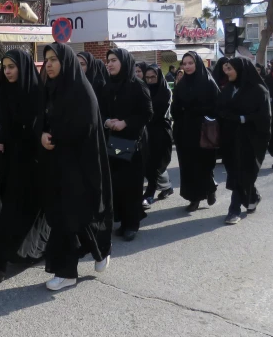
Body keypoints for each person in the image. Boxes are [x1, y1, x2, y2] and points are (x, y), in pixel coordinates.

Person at [40, 42, 112, 290]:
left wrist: (55, 137)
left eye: (53, 59)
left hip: (79, 167)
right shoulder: (52, 88)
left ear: (66, 62)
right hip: (57, 165)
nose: (48, 64)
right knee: (72, 218)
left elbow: (83, 130)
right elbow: (44, 120)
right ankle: (99, 251)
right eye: (46, 59)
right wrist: (43, 135)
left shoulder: (82, 91)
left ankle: (67, 272)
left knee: (69, 218)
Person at [0, 50, 49, 281]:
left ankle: (0, 261)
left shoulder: (36, 92)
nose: (8, 71)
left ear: (23, 67)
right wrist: (2, 138)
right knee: (13, 209)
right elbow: (6, 125)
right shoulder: (7, 90)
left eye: (12, 67)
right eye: (5, 67)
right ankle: (10, 255)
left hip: (33, 162)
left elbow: (36, 128)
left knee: (23, 211)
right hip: (12, 161)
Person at [99, 48, 152, 241]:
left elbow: (147, 113)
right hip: (113, 142)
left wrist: (125, 123)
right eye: (108, 60)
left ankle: (132, 224)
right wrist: (107, 122)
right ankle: (122, 221)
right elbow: (101, 111)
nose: (110, 64)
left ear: (124, 62)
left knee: (131, 185)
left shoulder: (137, 86)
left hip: (133, 142)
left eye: (114, 60)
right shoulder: (108, 86)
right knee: (117, 184)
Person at [215, 59, 270, 225]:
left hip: (249, 140)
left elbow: (264, 117)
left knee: (241, 173)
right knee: (236, 173)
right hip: (230, 139)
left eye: (230, 69)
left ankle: (234, 209)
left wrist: (242, 118)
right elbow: (221, 107)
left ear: (240, 70)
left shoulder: (259, 91)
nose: (227, 72)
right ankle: (253, 196)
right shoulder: (229, 88)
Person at [171, 52, 220, 211]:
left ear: (198, 63)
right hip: (185, 131)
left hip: (203, 131)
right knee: (188, 166)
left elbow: (217, 106)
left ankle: (210, 188)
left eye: (190, 63)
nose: (187, 66)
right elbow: (175, 107)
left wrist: (198, 112)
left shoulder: (208, 82)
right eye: (184, 64)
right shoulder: (181, 83)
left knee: (204, 164)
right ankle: (194, 197)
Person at [142, 64, 174, 204]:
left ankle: (150, 192)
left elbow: (158, 113)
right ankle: (165, 188)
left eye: (153, 77)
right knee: (148, 164)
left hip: (161, 132)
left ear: (159, 77)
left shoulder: (165, 92)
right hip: (146, 132)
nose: (150, 80)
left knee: (155, 164)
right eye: (147, 77)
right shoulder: (143, 90)